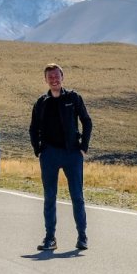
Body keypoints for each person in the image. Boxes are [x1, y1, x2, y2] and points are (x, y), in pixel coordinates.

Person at [28, 63, 92, 251]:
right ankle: (50, 238)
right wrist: (38, 150)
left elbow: (87, 121)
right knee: (49, 197)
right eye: (50, 77)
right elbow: (33, 128)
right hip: (49, 155)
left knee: (77, 196)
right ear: (46, 80)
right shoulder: (41, 102)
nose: (54, 79)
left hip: (72, 153)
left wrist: (83, 147)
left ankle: (82, 236)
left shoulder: (73, 98)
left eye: (57, 76)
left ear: (62, 77)